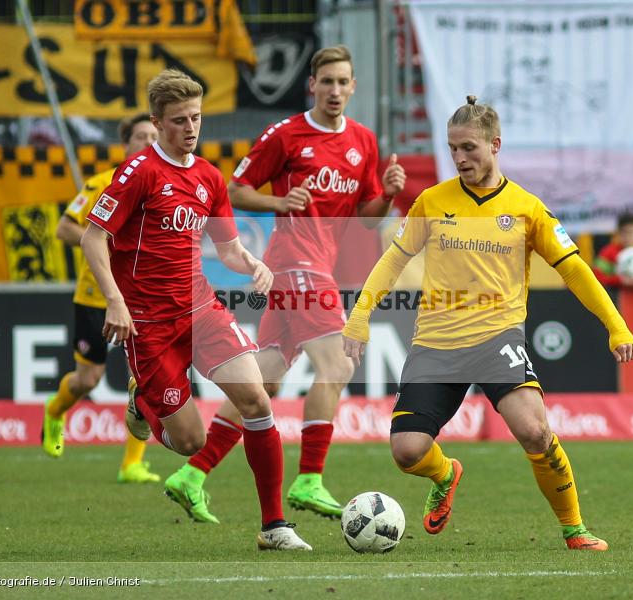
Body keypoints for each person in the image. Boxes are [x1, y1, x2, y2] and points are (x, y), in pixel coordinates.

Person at [342, 97, 633, 551]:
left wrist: (615, 325)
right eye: (453, 149)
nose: (460, 158)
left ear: (495, 145)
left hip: (498, 338)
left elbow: (575, 270)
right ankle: (445, 473)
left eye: (469, 148)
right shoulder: (432, 201)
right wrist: (360, 315)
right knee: (407, 452)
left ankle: (574, 528)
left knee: (535, 431)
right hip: (436, 343)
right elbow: (392, 262)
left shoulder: (526, 208)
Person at [159, 45, 406, 523]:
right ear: (311, 85)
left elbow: (367, 221)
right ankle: (309, 478)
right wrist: (279, 203)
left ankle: (192, 474)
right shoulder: (287, 135)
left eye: (343, 82)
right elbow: (235, 189)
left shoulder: (363, 142)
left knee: (266, 379)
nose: (335, 90)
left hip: (317, 266)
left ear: (353, 87)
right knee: (338, 361)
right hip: (295, 261)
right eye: (326, 81)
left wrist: (390, 195)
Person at [80, 69, 312, 551]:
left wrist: (253, 264)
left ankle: (274, 527)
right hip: (148, 323)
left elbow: (226, 249)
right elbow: (93, 236)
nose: (191, 128)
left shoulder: (208, 176)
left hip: (202, 310)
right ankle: (142, 402)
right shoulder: (139, 172)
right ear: (157, 122)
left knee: (257, 400)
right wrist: (115, 301)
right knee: (190, 442)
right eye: (180, 120)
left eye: (197, 118)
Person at [41, 113, 161, 485]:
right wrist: (101, 240)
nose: (147, 141)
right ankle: (55, 411)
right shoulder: (101, 183)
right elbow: (64, 228)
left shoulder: (162, 183)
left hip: (140, 298)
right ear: (125, 143)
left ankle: (132, 464)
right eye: (141, 136)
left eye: (153, 136)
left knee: (142, 380)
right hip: (95, 297)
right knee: (87, 380)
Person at [592, 213, 633, 290]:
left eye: (632, 232)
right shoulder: (608, 252)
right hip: (614, 297)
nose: (629, 236)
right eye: (625, 232)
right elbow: (595, 276)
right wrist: (620, 280)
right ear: (618, 233)